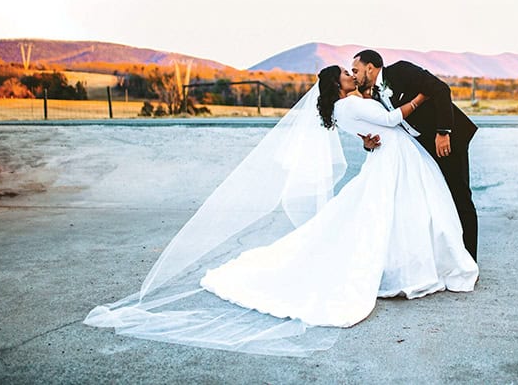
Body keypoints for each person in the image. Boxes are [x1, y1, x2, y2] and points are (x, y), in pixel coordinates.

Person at [84, 66, 477, 356]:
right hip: (393, 160)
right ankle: (402, 269)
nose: (350, 73)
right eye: (345, 72)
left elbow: (373, 127)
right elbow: (390, 119)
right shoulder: (349, 104)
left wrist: (368, 138)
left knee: (388, 214)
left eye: (353, 69)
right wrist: (421, 98)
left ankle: (408, 264)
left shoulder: (350, 104)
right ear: (334, 85)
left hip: (394, 159)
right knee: (377, 216)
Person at [351, 50, 479, 260]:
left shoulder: (401, 71)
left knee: (459, 196)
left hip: (447, 141)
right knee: (437, 200)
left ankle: (470, 259)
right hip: (422, 148)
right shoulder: (373, 95)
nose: (354, 75)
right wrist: (368, 144)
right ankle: (448, 256)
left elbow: (440, 89)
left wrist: (443, 132)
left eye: (356, 70)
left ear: (371, 67)